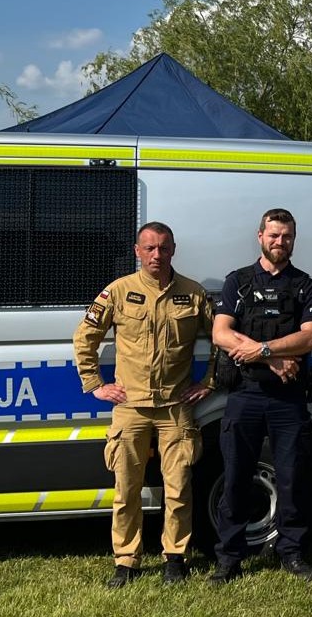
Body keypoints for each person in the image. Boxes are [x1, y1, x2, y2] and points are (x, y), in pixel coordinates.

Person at [72, 222, 213, 588]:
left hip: (174, 406)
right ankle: (126, 560)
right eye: (149, 248)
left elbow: (223, 338)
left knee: (179, 488)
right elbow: (85, 337)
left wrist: (210, 382)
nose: (156, 255)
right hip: (130, 405)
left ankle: (175, 558)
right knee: (126, 489)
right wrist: (95, 385)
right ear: (137, 251)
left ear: (173, 250)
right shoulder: (118, 291)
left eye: (163, 248)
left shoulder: (193, 294)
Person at [210, 209, 312, 584]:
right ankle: (229, 556)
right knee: (236, 477)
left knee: (293, 477)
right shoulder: (239, 281)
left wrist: (261, 350)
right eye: (273, 235)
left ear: (294, 239)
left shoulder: (304, 285)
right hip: (245, 394)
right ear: (260, 236)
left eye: (286, 236)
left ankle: (292, 552)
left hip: (288, 398)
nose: (280, 242)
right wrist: (272, 358)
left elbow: (311, 336)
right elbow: (221, 333)